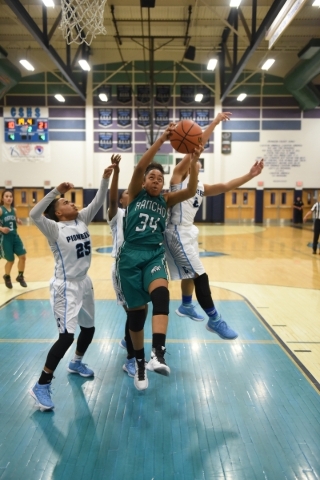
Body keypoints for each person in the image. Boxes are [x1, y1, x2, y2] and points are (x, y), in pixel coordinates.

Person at [116, 124, 203, 391]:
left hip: (154, 255)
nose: (156, 181)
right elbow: (139, 167)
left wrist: (195, 164)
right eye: (152, 177)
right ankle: (140, 365)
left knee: (162, 296)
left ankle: (158, 354)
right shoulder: (134, 194)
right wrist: (162, 140)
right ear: (143, 182)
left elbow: (189, 192)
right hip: (130, 257)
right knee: (136, 317)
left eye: (159, 178)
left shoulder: (165, 200)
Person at [164, 112, 264, 339]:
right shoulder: (177, 179)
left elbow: (227, 185)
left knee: (190, 273)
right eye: (193, 158)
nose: (196, 159)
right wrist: (215, 123)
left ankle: (187, 305)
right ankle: (215, 320)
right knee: (200, 274)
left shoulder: (202, 187)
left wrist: (250, 174)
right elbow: (196, 143)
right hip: (176, 231)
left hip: (188, 232)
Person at [29, 163, 115, 411]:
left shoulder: (81, 220)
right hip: (64, 288)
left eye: (72, 201)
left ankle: (76, 363)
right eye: (66, 203)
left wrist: (104, 179)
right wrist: (56, 191)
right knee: (66, 336)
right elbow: (35, 214)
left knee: (88, 330)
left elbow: (99, 201)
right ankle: (41, 385)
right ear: (57, 212)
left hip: (84, 283)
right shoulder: (53, 228)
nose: (73, 204)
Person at [106, 154, 148, 378]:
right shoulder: (117, 214)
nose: (129, 195)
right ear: (123, 201)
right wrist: (117, 174)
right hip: (123, 269)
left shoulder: (141, 215)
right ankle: (131, 359)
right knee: (135, 314)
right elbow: (112, 198)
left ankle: (129, 339)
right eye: (126, 194)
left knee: (141, 311)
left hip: (139, 267)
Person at [0, 189, 27, 289]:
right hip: (5, 238)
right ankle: (7, 276)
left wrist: (18, 221)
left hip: (15, 236)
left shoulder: (14, 210)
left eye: (10, 196)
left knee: (23, 257)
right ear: (2, 198)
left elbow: (14, 219)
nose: (9, 198)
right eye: (6, 196)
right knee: (10, 260)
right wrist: (2, 228)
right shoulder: (1, 210)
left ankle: (20, 276)